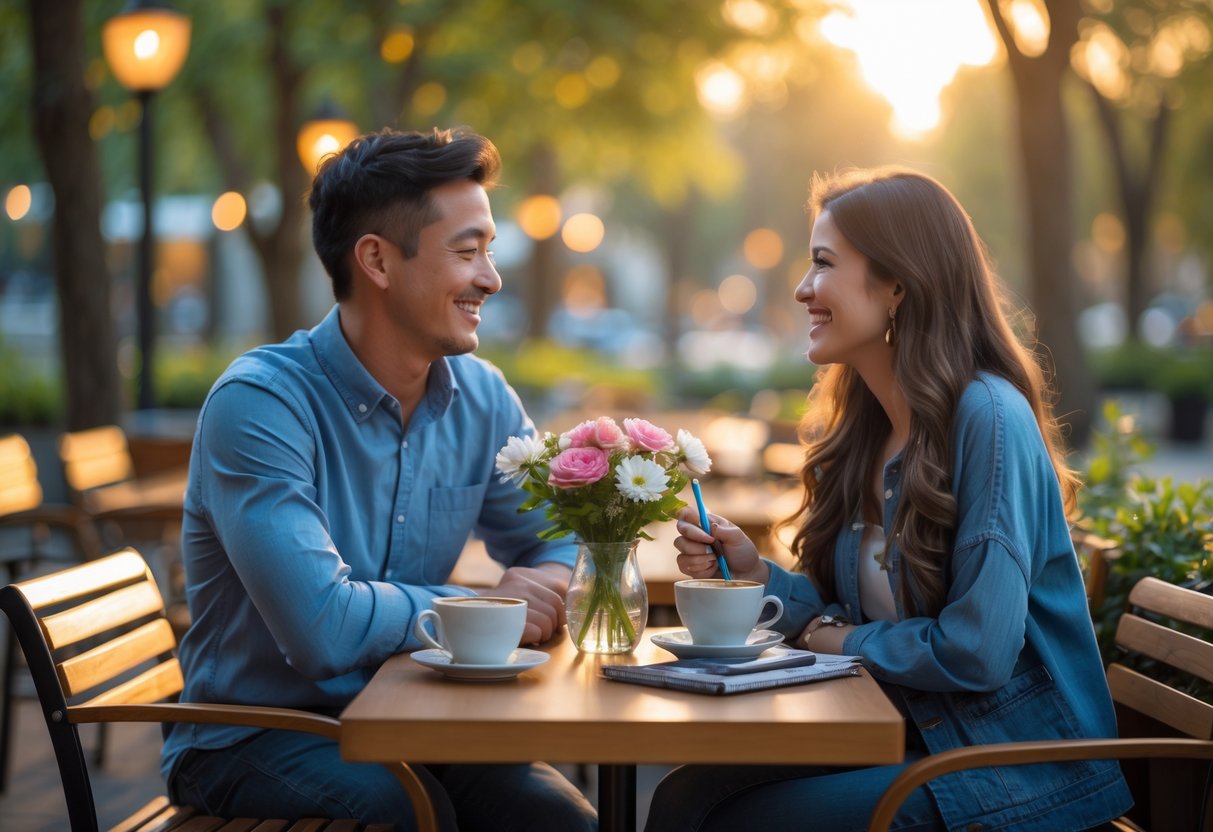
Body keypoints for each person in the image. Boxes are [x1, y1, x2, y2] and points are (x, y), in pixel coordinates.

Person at [646, 168, 1132, 832]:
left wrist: (834, 639)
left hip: (1011, 765)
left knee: (743, 821)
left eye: (822, 263)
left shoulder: (988, 418)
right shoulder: (865, 428)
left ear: (898, 283)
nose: (801, 288)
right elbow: (844, 619)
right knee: (683, 798)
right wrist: (758, 577)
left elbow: (976, 650)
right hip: (921, 737)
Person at [162, 127, 597, 832]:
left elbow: (561, 545)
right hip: (254, 735)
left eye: (488, 249)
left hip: (418, 716)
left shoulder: (480, 396)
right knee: (409, 813)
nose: (490, 276)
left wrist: (539, 584)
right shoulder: (260, 404)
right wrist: (482, 610)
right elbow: (323, 631)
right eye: (467, 250)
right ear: (377, 261)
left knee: (561, 821)